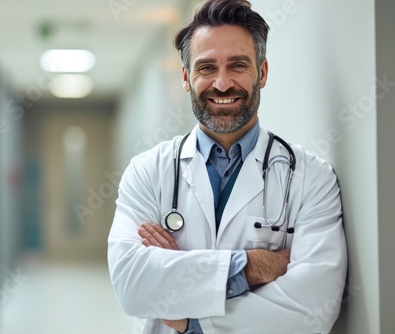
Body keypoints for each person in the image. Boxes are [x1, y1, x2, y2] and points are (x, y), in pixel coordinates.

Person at [107, 0, 348, 333]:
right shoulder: (148, 172)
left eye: (238, 65)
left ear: (261, 73)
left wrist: (193, 322)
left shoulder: (310, 177)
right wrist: (251, 267)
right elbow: (132, 286)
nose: (222, 84)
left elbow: (313, 309)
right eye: (206, 68)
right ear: (186, 78)